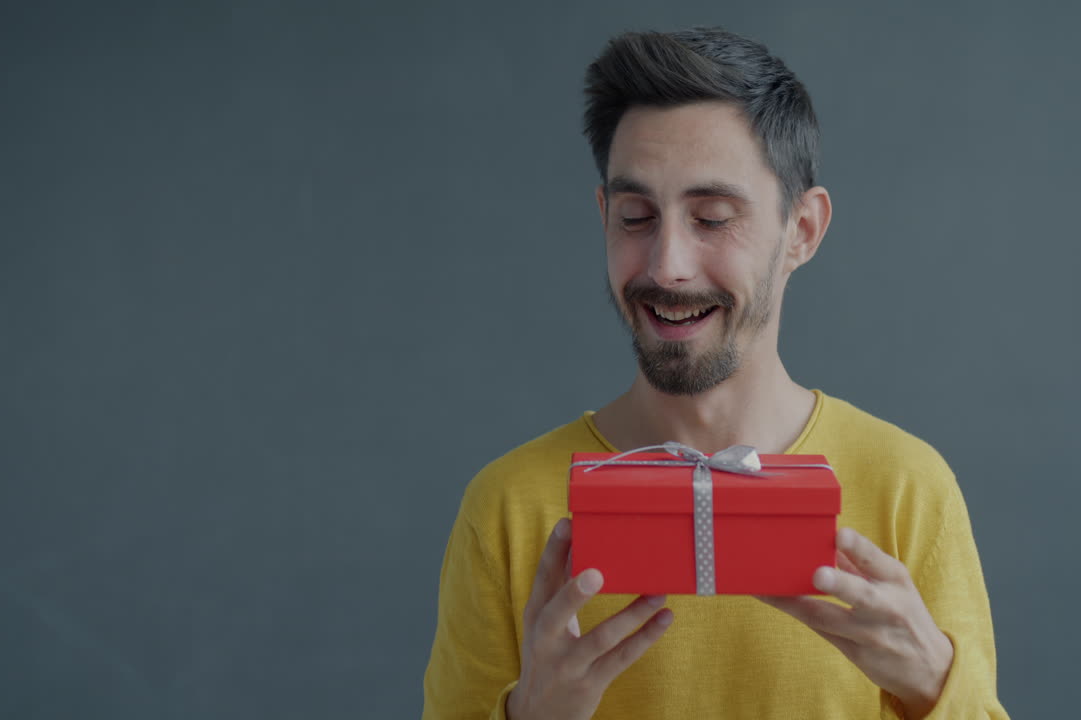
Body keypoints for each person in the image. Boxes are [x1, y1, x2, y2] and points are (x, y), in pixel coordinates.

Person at [422, 27, 1008, 720]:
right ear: (604, 216)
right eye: (636, 216)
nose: (667, 264)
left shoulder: (909, 491)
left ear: (803, 231)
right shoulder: (506, 510)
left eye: (713, 218)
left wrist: (936, 686)